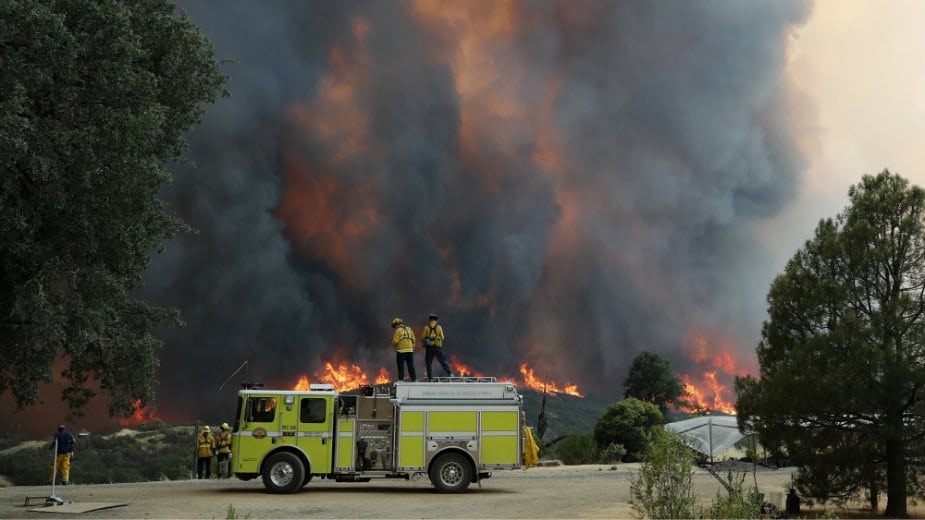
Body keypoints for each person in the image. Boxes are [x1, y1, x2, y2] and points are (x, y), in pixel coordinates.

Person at [421, 313, 453, 380]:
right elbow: (442, 337)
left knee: (428, 363)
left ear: (430, 320)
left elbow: (422, 338)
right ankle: (450, 373)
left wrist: (427, 340)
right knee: (442, 360)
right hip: (437, 347)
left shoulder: (426, 327)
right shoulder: (439, 327)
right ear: (436, 320)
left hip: (429, 347)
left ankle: (430, 378)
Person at [391, 317, 416, 382]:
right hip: (410, 350)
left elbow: (396, 341)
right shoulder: (409, 329)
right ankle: (413, 379)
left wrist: (392, 340)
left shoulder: (398, 330)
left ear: (396, 324)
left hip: (401, 351)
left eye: (394, 326)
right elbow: (413, 339)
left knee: (401, 366)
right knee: (411, 366)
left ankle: (401, 380)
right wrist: (412, 347)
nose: (394, 328)